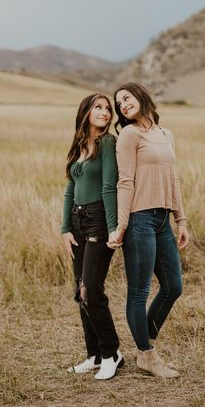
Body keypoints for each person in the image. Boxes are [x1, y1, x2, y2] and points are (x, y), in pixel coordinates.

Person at [109, 82, 189, 378]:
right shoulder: (129, 134)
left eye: (126, 98)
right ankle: (147, 354)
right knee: (139, 291)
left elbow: (173, 179)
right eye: (119, 103)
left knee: (173, 287)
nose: (123, 105)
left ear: (141, 96)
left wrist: (180, 219)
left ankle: (145, 345)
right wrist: (121, 225)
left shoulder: (165, 134)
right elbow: (125, 182)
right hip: (139, 219)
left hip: (163, 220)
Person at [61, 93, 124, 380]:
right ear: (86, 112)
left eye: (108, 109)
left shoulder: (108, 143)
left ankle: (112, 353)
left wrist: (113, 226)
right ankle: (95, 355)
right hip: (77, 220)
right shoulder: (78, 145)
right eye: (98, 108)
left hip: (99, 219)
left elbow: (109, 185)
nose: (105, 113)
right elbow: (69, 189)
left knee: (91, 290)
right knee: (80, 291)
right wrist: (65, 228)